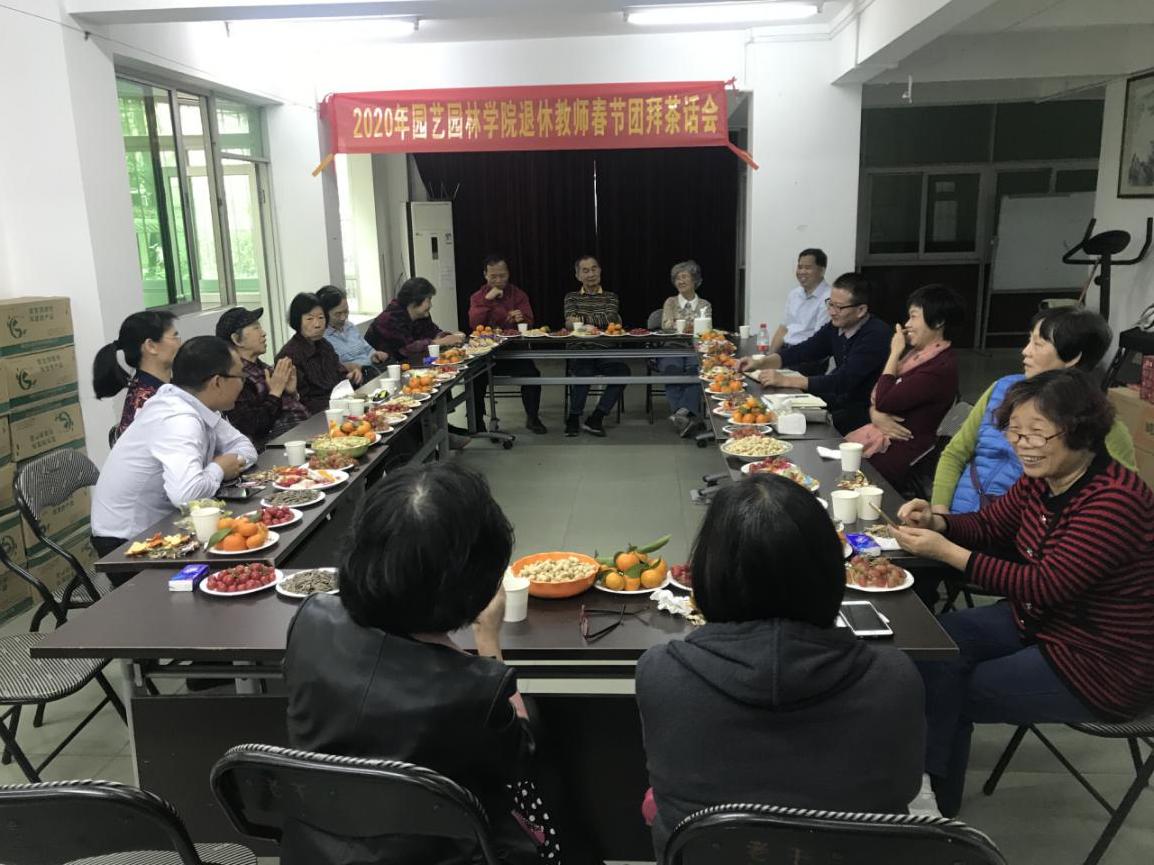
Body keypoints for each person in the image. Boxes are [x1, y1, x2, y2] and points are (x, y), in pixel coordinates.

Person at [283, 462, 594, 865]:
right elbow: (521, 752)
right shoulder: (475, 692)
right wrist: (487, 637)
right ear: (478, 583)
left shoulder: (310, 620)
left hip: (316, 850)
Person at [892, 370, 1154, 818]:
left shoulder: (1114, 499)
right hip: (1042, 622)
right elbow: (990, 526)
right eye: (1014, 431)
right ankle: (923, 785)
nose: (1022, 445)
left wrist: (946, 550)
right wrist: (939, 522)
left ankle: (932, 814)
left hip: (1099, 660)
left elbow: (1044, 584)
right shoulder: (1043, 478)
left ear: (1081, 431)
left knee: (950, 692)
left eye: (1037, 433)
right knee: (932, 648)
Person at [636, 473, 924, 860]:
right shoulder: (894, 677)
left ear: (708, 574)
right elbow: (903, 790)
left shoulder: (661, 673)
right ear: (830, 574)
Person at [932, 306, 1135, 514]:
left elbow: (1122, 495)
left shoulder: (1097, 421)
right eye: (1029, 340)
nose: (1025, 351)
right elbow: (954, 454)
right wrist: (940, 514)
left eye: (1038, 344)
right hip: (958, 518)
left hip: (1017, 529)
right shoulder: (1002, 389)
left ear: (1073, 357)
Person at [90, 336, 256, 558]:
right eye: (241, 377)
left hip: (166, 524)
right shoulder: (178, 418)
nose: (243, 384)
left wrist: (230, 463)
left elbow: (245, 447)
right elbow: (187, 495)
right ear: (217, 382)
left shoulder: (195, 404)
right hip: (127, 543)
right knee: (240, 554)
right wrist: (218, 468)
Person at [844, 284, 963, 491]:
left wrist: (894, 353)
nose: (907, 324)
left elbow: (883, 399)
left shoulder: (939, 367)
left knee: (841, 469)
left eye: (914, 316)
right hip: (888, 440)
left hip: (904, 452)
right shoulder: (919, 356)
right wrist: (875, 414)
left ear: (938, 322)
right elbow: (880, 397)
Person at [739, 273, 890, 434]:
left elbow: (844, 380)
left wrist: (786, 380)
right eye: (830, 304)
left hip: (865, 411)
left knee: (796, 426)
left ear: (861, 310)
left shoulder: (876, 335)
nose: (831, 312)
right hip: (839, 400)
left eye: (839, 307)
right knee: (774, 411)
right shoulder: (836, 327)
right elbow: (804, 350)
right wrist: (760, 363)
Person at [467, 256, 546, 434]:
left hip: (514, 352)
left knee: (532, 375)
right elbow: (474, 324)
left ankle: (533, 417)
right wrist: (487, 299)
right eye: (493, 276)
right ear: (485, 275)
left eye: (502, 276)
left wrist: (521, 318)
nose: (498, 280)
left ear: (508, 274)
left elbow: (529, 323)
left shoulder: (518, 295)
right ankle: (476, 421)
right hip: (486, 354)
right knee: (473, 378)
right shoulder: (478, 297)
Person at [216, 306, 310, 449]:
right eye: (256, 328)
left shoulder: (263, 368)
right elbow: (252, 426)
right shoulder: (235, 378)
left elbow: (290, 408)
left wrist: (291, 393)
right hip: (274, 448)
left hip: (300, 433)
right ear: (237, 339)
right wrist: (275, 393)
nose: (264, 333)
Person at [563, 254, 630, 437]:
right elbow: (569, 324)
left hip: (606, 349)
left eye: (594, 269)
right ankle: (574, 417)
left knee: (623, 373)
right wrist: (596, 321)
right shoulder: (571, 297)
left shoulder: (611, 297)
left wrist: (581, 321)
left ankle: (597, 417)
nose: (591, 274)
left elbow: (610, 318)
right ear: (578, 276)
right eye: (585, 271)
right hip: (580, 349)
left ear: (600, 271)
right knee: (583, 373)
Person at [93, 310, 181, 439]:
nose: (180, 343)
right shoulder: (147, 403)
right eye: (174, 336)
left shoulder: (161, 388)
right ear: (151, 346)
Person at [276, 292, 354, 415]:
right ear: (297, 321)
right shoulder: (289, 355)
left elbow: (340, 375)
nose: (317, 324)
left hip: (340, 406)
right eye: (310, 319)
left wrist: (351, 376)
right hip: (317, 415)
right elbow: (303, 400)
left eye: (321, 318)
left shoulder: (325, 345)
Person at [659, 260, 711, 437]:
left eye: (684, 277)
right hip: (671, 346)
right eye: (677, 278)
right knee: (671, 369)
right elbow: (666, 325)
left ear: (694, 280)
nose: (680, 281)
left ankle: (680, 414)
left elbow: (706, 329)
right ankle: (685, 415)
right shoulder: (670, 302)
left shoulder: (704, 304)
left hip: (695, 347)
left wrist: (680, 324)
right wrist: (690, 325)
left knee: (696, 370)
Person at [366, 276, 465, 363]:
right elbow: (406, 350)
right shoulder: (390, 318)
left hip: (413, 364)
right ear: (414, 301)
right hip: (381, 369)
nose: (431, 305)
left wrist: (450, 336)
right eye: (428, 300)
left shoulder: (422, 315)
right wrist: (442, 342)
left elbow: (433, 332)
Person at [769, 248, 832, 376]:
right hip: (786, 352)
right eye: (800, 267)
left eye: (808, 268)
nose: (802, 272)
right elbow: (783, 329)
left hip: (809, 358)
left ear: (822, 270)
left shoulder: (829, 298)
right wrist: (769, 358)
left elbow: (819, 341)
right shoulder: (794, 294)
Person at [318, 285, 387, 384]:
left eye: (346, 312)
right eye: (338, 314)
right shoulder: (322, 339)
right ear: (324, 314)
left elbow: (367, 349)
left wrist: (374, 355)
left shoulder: (349, 326)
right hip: (354, 382)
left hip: (373, 373)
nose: (343, 317)